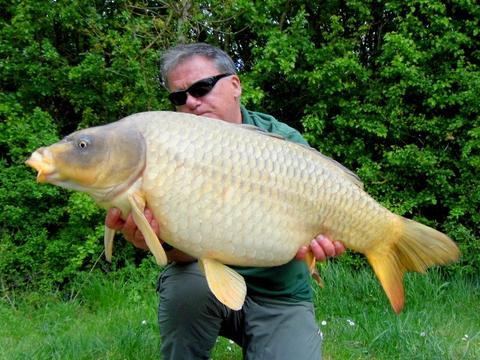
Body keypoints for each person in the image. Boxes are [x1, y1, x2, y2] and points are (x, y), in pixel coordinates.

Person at [105, 43, 345, 359]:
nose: (191, 101)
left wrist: (329, 238)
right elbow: (181, 254)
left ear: (234, 85)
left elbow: (330, 216)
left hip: (280, 295)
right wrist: (153, 241)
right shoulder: (169, 154)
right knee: (185, 287)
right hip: (206, 284)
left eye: (202, 87)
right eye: (179, 97)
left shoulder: (283, 143)